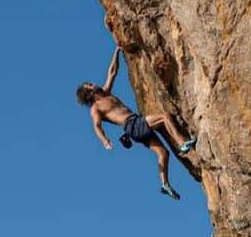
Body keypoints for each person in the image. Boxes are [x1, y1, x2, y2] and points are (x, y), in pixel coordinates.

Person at [76, 44, 197, 200]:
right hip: (132, 125)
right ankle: (182, 142)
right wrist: (105, 140)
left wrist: (117, 51)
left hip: (135, 128)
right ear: (89, 93)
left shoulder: (105, 93)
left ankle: (165, 184)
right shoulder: (95, 109)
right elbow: (97, 126)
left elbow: (112, 72)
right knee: (165, 117)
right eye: (90, 85)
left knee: (163, 153)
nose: (93, 84)